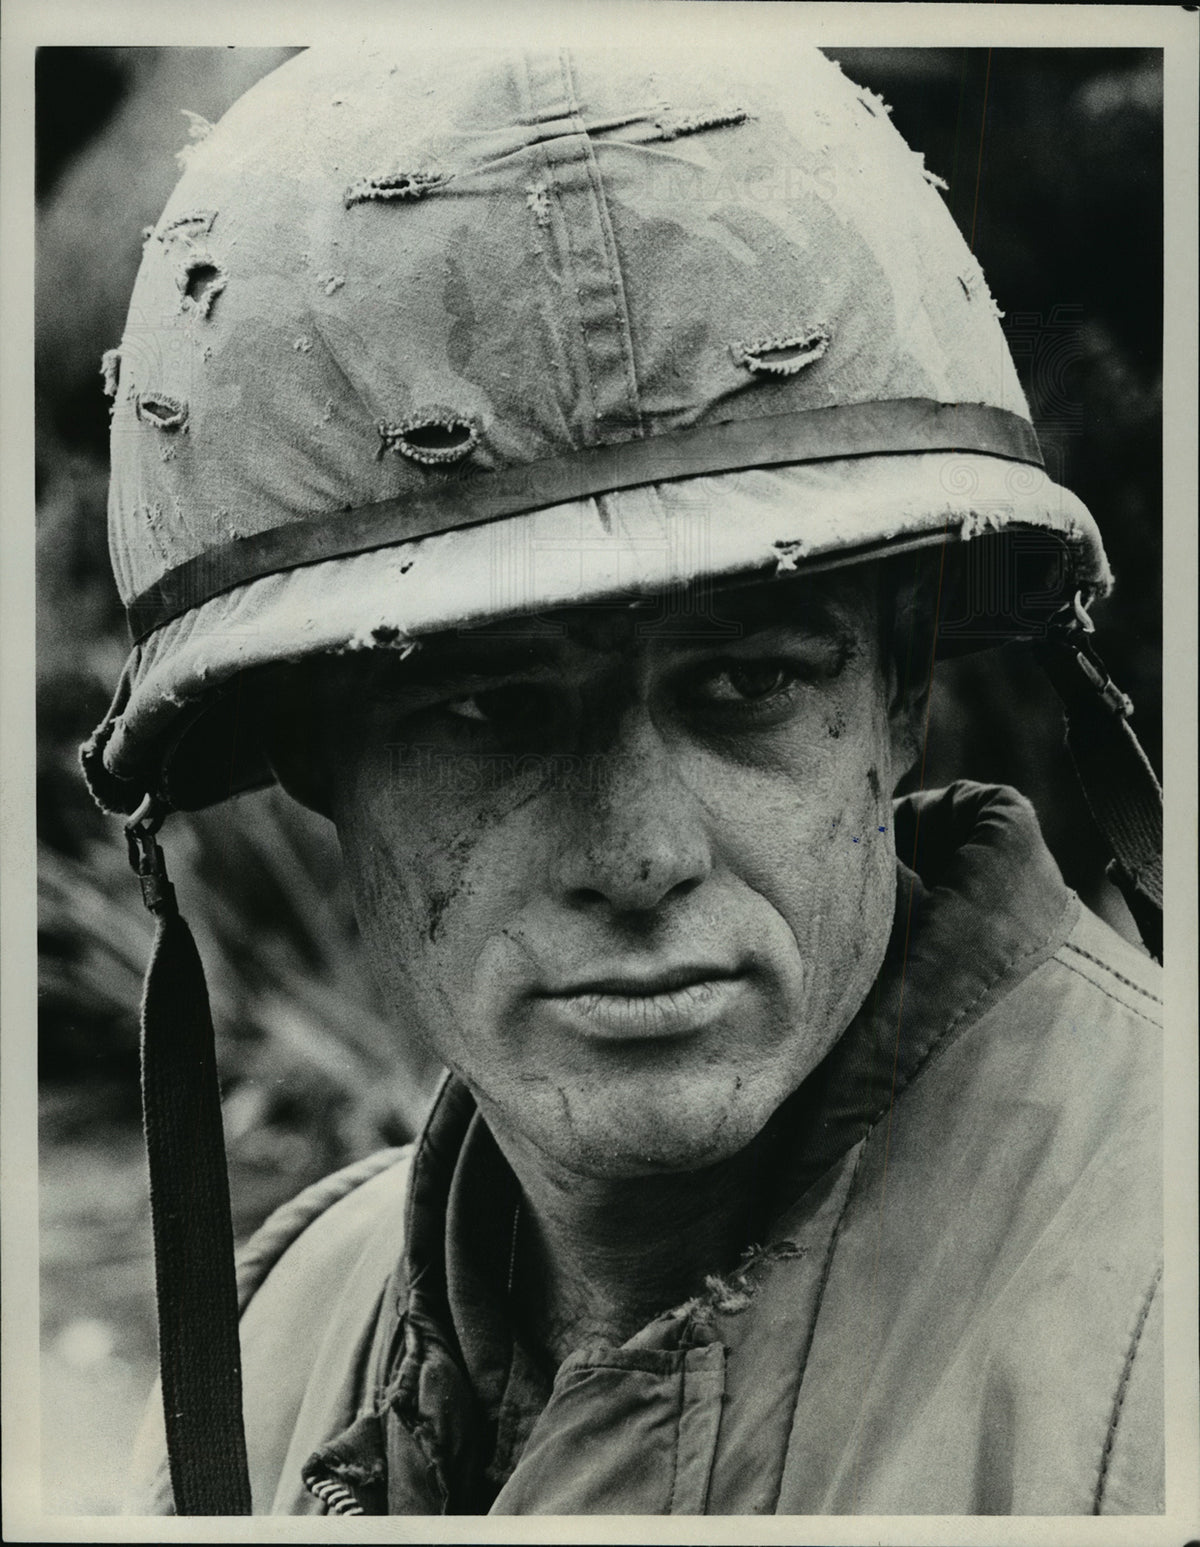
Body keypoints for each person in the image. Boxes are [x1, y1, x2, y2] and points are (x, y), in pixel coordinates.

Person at [80, 40, 1164, 1516]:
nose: (641, 851)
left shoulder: (1163, 1334)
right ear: (306, 749)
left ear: (900, 691)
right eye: (490, 711)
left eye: (745, 686)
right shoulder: (288, 1340)